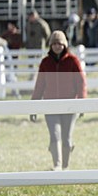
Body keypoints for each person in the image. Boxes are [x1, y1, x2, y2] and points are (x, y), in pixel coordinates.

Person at [30, 30, 87, 170]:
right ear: (50, 45)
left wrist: (82, 103)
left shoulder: (73, 61)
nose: (57, 46)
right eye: (54, 44)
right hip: (51, 105)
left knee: (66, 139)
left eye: (60, 44)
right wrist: (33, 106)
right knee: (55, 136)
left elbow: (81, 83)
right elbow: (40, 85)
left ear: (64, 45)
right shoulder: (45, 63)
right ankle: (57, 165)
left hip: (69, 106)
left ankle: (65, 167)